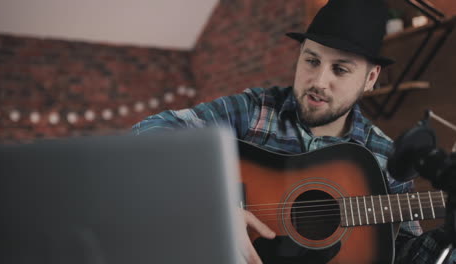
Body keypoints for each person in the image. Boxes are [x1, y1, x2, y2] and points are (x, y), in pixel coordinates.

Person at [133, 0, 455, 263]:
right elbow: (148, 135)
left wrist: (447, 238)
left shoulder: (389, 157)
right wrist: (213, 209)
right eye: (311, 60)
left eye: (340, 69)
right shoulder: (255, 109)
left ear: (371, 78)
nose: (318, 81)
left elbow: (409, 257)